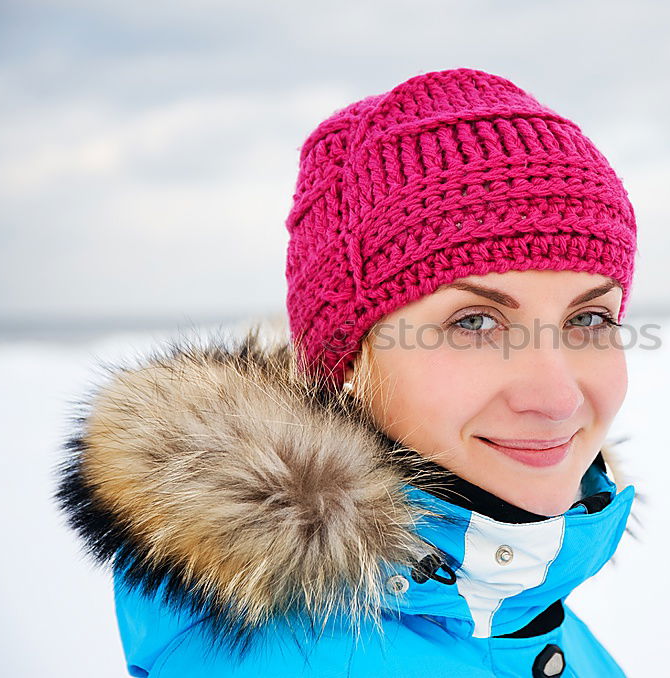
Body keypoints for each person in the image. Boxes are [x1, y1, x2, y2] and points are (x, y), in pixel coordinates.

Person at [56, 67, 639, 677]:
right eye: (474, 323)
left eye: (590, 319)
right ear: (344, 361)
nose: (556, 397)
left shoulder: (519, 607)